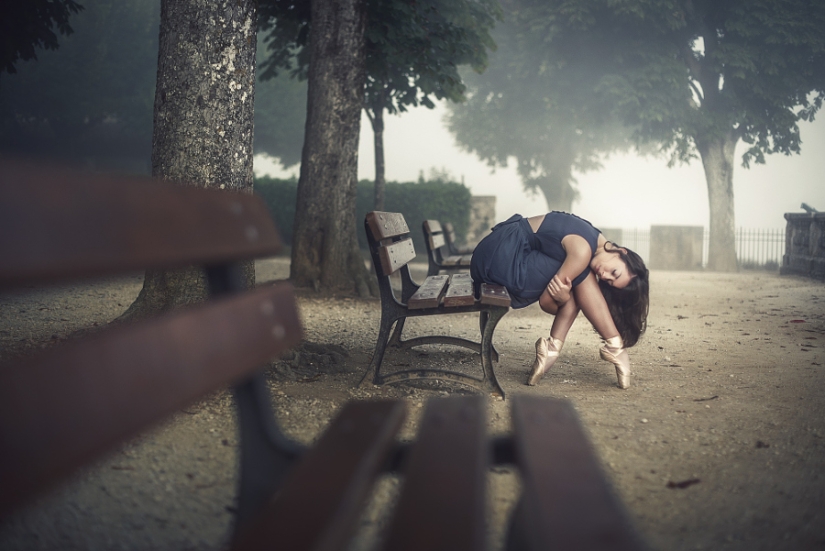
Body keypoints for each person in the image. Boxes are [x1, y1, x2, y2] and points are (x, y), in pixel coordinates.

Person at [470, 212, 649, 389]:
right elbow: (546, 302)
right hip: (501, 257)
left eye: (609, 280)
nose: (604, 275)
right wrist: (563, 298)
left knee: (577, 280)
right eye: (614, 271)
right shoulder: (583, 251)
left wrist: (565, 297)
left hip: (496, 253)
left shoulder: (590, 235)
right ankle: (614, 346)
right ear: (621, 251)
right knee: (582, 277)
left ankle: (553, 348)